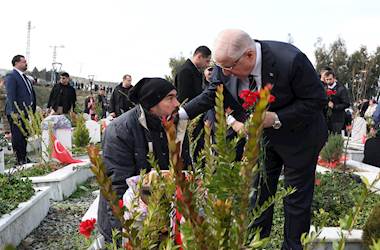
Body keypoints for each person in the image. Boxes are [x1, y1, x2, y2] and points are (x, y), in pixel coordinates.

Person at [178, 29, 328, 249]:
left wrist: (276, 118)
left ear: (249, 55)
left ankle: (292, 246)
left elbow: (317, 100)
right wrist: (180, 115)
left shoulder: (290, 60)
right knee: (257, 196)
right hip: (264, 139)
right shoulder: (225, 65)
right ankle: (254, 244)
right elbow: (213, 93)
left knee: (295, 201)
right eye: (221, 67)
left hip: (300, 137)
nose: (225, 73)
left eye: (229, 67)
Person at [98, 77, 191, 242]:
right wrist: (122, 238)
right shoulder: (121, 130)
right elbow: (116, 188)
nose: (177, 103)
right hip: (133, 219)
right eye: (170, 98)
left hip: (163, 217)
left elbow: (185, 170)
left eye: (176, 97)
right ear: (151, 103)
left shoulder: (175, 126)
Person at [5, 55, 36, 165]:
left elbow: (29, 94)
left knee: (24, 135)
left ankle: (24, 157)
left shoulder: (24, 77)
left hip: (25, 112)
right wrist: (14, 112)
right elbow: (11, 95)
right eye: (24, 62)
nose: (26, 64)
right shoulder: (11, 76)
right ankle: (19, 159)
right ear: (16, 63)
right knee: (18, 135)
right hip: (16, 113)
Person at [324, 70, 350, 134]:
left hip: (338, 120)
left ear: (334, 78)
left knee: (336, 138)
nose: (328, 81)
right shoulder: (324, 89)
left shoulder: (341, 89)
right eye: (327, 79)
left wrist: (334, 106)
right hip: (327, 119)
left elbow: (347, 104)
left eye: (330, 79)